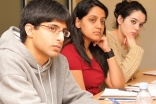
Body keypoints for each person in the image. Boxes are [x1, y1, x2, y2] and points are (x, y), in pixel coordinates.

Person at [0, 0, 100, 104]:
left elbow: (78, 97)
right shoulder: (8, 60)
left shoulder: (60, 61)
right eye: (52, 28)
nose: (61, 38)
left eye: (64, 32)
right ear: (30, 30)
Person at [61, 0, 125, 96]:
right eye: (92, 20)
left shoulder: (95, 50)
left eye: (102, 21)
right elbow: (80, 98)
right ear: (78, 22)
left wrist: (107, 50)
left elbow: (118, 86)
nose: (99, 26)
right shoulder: (70, 52)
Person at [106, 0, 147, 83]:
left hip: (126, 88)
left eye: (140, 24)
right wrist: (135, 49)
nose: (137, 28)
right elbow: (120, 79)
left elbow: (134, 73)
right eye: (133, 21)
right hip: (106, 92)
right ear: (120, 19)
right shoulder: (107, 38)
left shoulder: (135, 38)